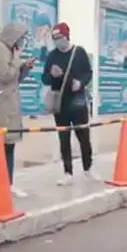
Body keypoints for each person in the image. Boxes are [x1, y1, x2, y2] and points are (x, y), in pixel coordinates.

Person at [41, 22, 96, 185]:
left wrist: (81, 83)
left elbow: (89, 73)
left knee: (84, 137)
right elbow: (44, 79)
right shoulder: (52, 56)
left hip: (78, 102)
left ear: (67, 36)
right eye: (55, 38)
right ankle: (67, 172)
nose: (58, 41)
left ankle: (88, 168)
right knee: (64, 138)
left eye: (60, 37)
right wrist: (52, 75)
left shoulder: (79, 52)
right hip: (60, 103)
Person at [0, 22, 36, 197]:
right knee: (1, 146)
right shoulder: (0, 49)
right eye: (21, 37)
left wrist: (25, 68)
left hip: (12, 103)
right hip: (2, 104)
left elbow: (16, 79)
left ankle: (8, 182)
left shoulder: (11, 51)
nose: (22, 41)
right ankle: (0, 183)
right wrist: (18, 60)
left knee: (10, 145)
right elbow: (5, 75)